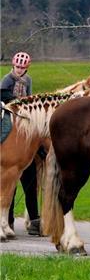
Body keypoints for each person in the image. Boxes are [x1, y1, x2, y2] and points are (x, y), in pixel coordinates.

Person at [2, 52, 42, 236]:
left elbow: (30, 97)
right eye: (17, 67)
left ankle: (34, 219)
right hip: (9, 111)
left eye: (22, 67)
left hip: (25, 116)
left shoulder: (29, 80)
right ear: (13, 65)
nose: (19, 70)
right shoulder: (7, 79)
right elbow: (3, 96)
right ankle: (7, 219)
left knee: (30, 179)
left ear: (27, 67)